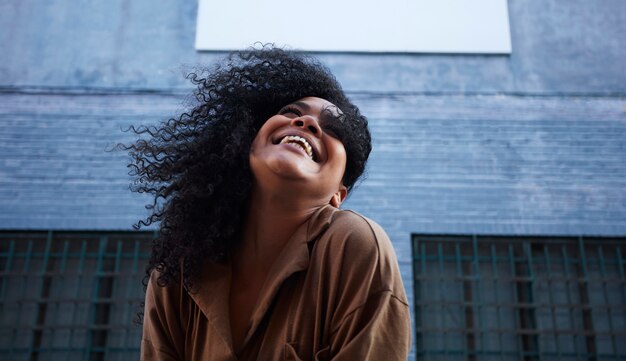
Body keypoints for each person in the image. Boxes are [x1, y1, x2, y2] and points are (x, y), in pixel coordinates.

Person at [126, 46, 411, 360]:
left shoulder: (355, 244)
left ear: (338, 195)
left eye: (333, 129)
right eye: (291, 111)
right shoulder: (179, 270)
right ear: (247, 143)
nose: (307, 123)